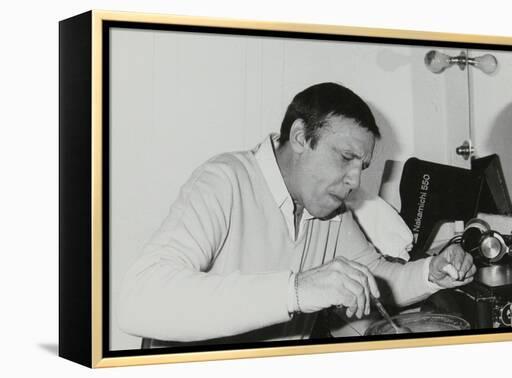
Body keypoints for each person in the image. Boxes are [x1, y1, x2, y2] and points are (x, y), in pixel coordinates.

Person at [118, 82, 476, 344]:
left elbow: (375, 278)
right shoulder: (225, 179)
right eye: (346, 157)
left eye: (362, 166)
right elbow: (138, 301)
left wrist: (433, 272)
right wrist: (297, 289)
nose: (354, 180)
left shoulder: (329, 208)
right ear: (301, 137)